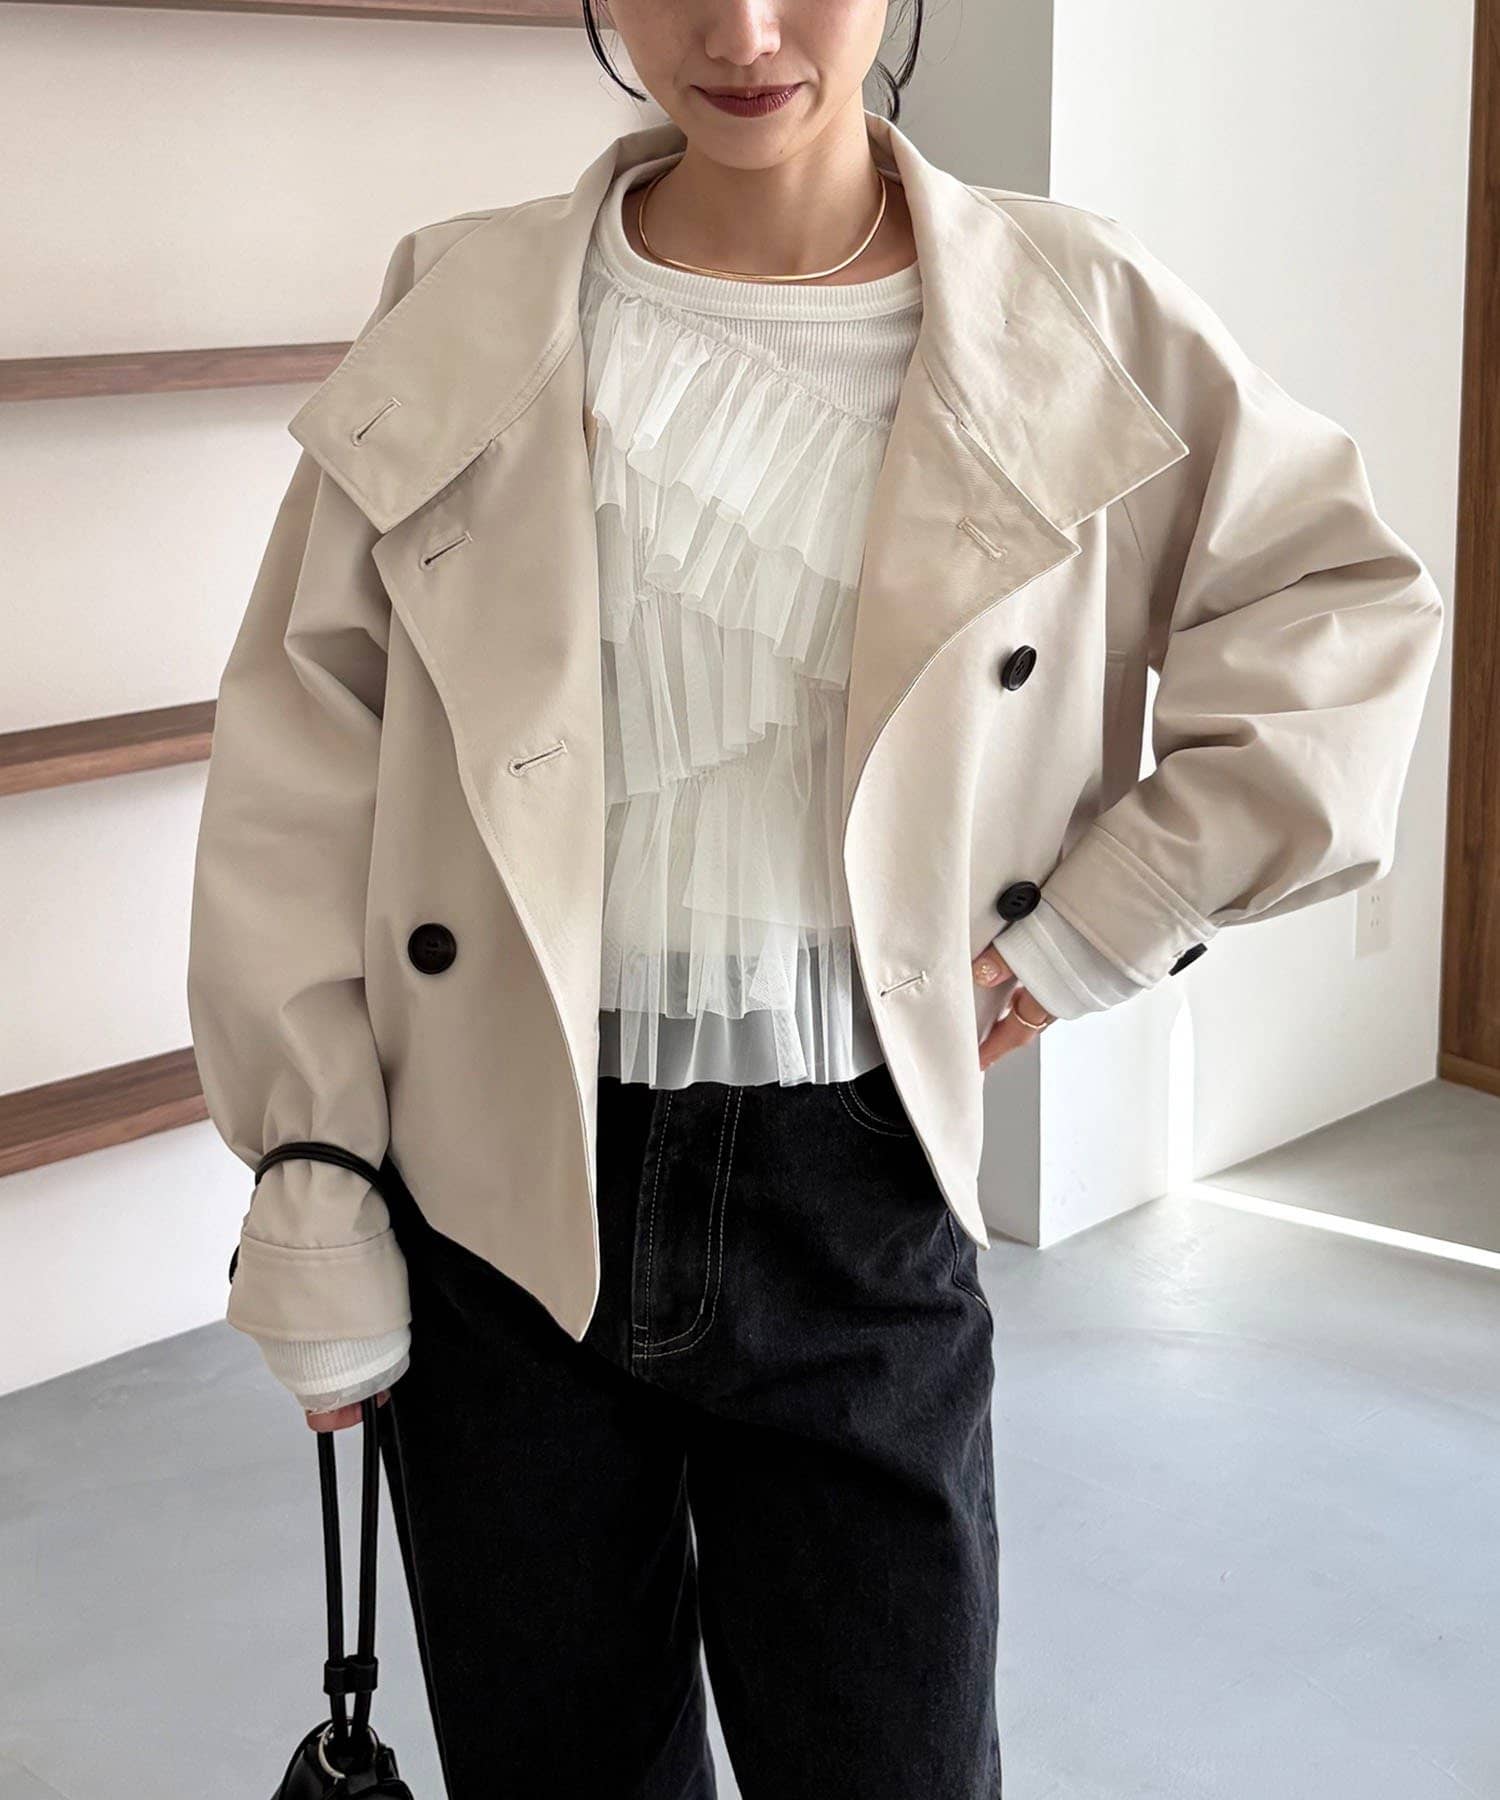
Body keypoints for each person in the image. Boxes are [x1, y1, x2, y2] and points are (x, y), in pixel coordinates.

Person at [186, 2, 1445, 1793]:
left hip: (855, 1181)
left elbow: (1338, 607)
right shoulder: (464, 290)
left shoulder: (1071, 302)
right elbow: (308, 742)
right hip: (496, 1183)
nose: (745, 30)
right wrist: (311, 1161)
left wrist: (1101, 917)